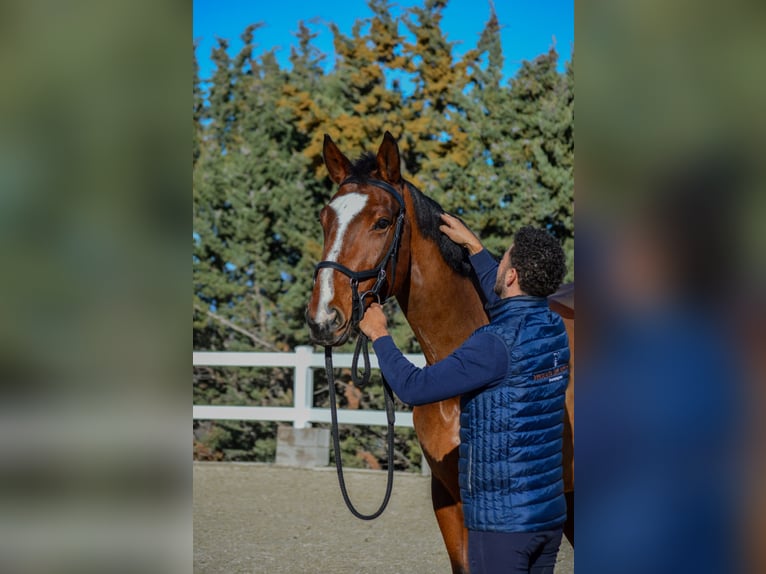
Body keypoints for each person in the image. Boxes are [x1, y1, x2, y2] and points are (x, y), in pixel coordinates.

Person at [359, 213, 570, 574]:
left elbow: (414, 386)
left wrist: (380, 336)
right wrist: (475, 247)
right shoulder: (551, 327)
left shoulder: (492, 345)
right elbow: (510, 304)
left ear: (513, 276)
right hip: (546, 519)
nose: (499, 262)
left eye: (503, 258)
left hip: (503, 524)